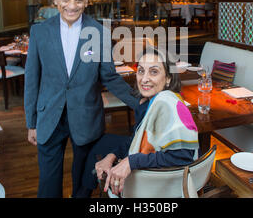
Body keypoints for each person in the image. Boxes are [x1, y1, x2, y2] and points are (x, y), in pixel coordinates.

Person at [24, 0, 139, 198]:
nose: (72, 6)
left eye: (78, 0)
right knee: (48, 183)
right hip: (49, 118)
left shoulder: (100, 32)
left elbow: (109, 77)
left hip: (86, 119)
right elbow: (32, 80)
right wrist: (31, 122)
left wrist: (142, 102)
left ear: (86, 0)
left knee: (83, 183)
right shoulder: (39, 32)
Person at [79, 47, 199, 197]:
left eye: (154, 71)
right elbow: (136, 138)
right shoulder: (151, 102)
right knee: (101, 145)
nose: (144, 78)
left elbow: (183, 156)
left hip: (161, 185)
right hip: (153, 171)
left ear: (168, 78)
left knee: (97, 147)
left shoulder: (167, 104)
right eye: (141, 71)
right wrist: (112, 156)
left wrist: (131, 161)